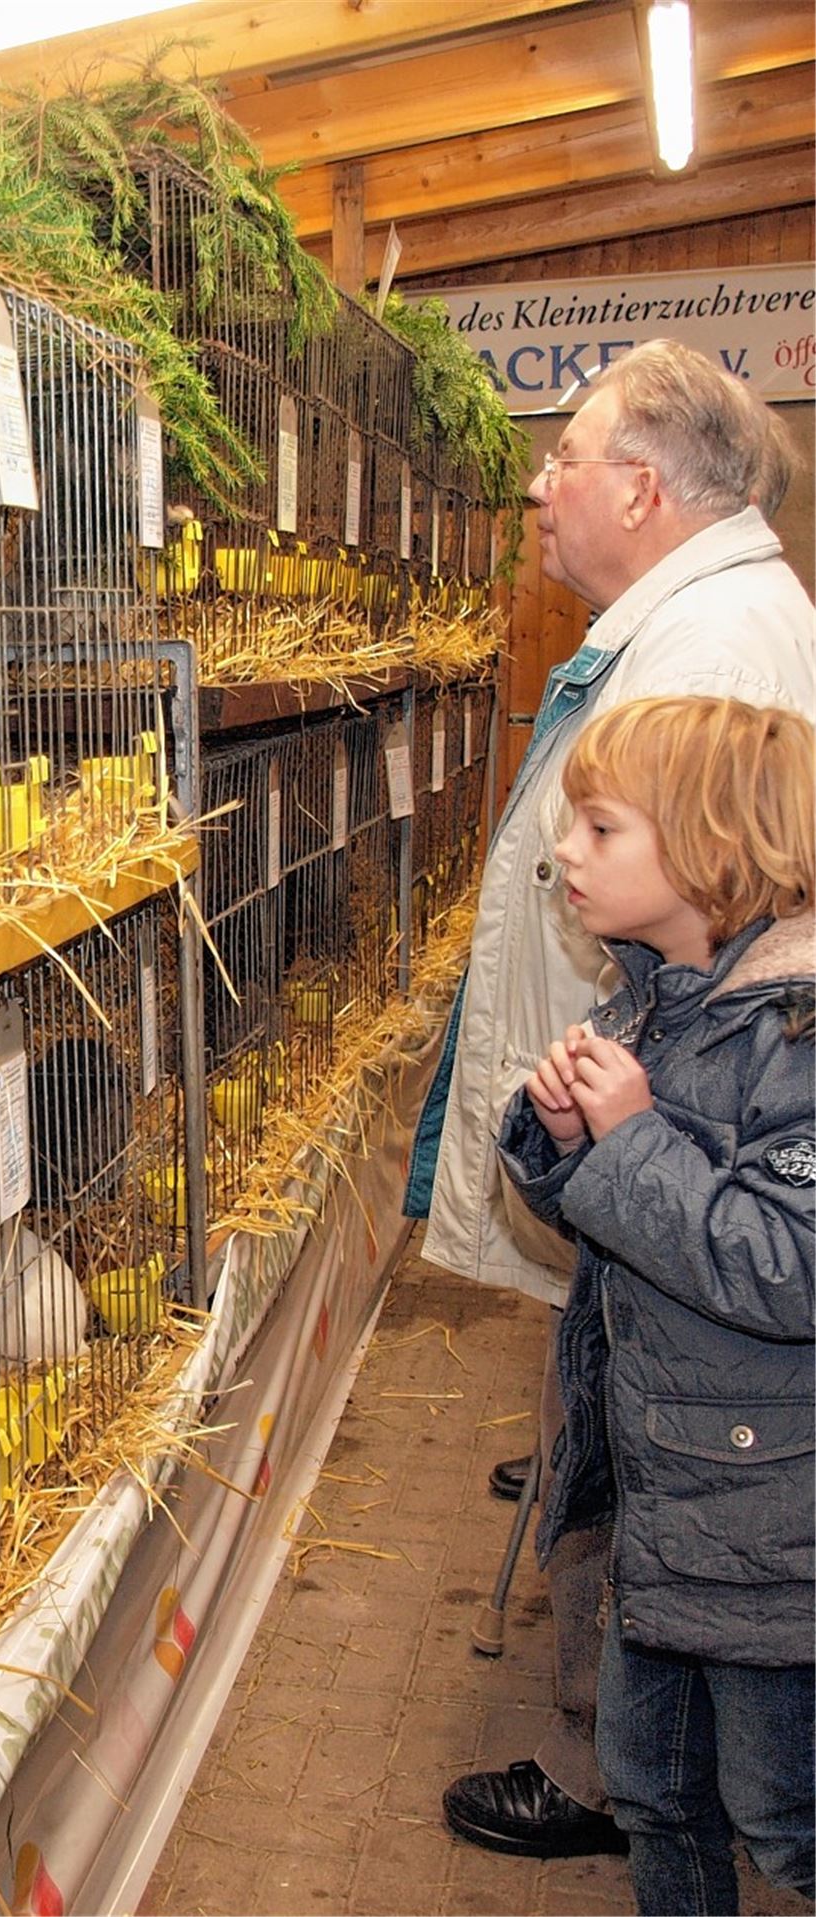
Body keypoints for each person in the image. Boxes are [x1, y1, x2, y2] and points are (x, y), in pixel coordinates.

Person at [404, 337, 816, 1858]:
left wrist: (619, 1136)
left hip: (714, 1351)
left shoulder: (714, 657)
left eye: (564, 456)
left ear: (640, 485)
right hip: (642, 1190)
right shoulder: (696, 627)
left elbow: (751, 1193)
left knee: (669, 1534)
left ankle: (624, 1784)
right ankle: (647, 1777)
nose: (537, 480)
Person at [497, 694, 815, 1916]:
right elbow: (620, 1231)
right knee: (653, 1792)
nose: (564, 851)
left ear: (710, 851)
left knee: (785, 1819)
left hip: (769, 1532)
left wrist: (627, 1144)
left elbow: (786, 1268)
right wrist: (569, 1143)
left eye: (599, 827)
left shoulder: (793, 1037)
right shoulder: (653, 1000)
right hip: (662, 1497)